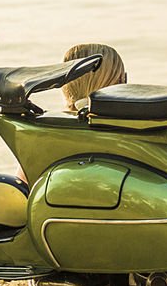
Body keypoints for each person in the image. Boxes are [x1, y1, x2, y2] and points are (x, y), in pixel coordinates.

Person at [17, 43, 126, 184]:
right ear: (117, 83)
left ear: (66, 83)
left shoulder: (43, 134)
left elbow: (22, 187)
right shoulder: (130, 133)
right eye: (122, 79)